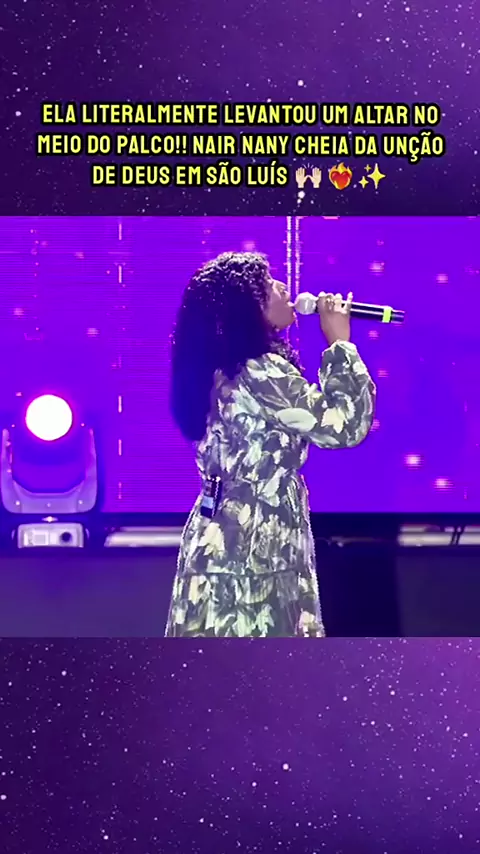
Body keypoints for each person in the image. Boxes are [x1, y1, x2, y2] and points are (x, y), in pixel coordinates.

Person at [165, 251, 376, 637]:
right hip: (255, 551)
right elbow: (343, 427)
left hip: (220, 538)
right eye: (267, 285)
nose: (282, 287)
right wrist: (340, 344)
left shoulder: (219, 368)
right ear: (246, 308)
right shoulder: (258, 371)